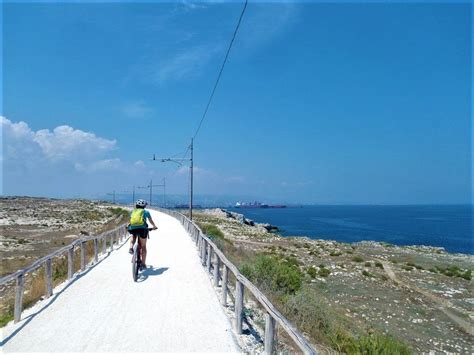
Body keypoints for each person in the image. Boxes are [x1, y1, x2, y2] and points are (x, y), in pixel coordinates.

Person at [127, 199, 157, 269]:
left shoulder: (132, 211)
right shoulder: (146, 212)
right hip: (142, 229)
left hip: (133, 228)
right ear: (144, 206)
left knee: (133, 236)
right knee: (143, 247)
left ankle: (131, 247)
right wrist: (154, 226)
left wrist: (128, 226)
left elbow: (130, 221)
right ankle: (143, 264)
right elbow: (150, 220)